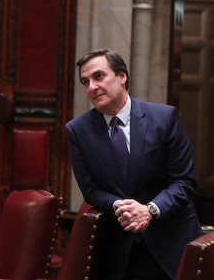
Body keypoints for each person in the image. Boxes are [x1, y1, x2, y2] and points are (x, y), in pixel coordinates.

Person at [66, 48, 201, 279]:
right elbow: (91, 190)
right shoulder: (78, 131)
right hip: (118, 248)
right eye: (85, 82)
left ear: (121, 76)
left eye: (99, 76)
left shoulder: (164, 118)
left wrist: (149, 210)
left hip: (170, 243)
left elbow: (184, 182)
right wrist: (121, 206)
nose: (91, 87)